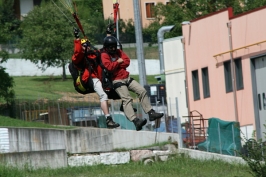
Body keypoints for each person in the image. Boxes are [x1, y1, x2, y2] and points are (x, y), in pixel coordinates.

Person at [100, 36, 164, 131]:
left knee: (142, 90)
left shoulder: (118, 52)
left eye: (114, 47)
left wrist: (116, 64)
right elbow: (109, 68)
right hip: (117, 80)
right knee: (127, 99)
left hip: (126, 77)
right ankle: (135, 121)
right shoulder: (104, 55)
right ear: (106, 47)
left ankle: (150, 112)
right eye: (111, 47)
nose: (113, 49)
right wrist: (118, 62)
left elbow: (127, 61)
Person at [71, 28, 120, 129]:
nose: (86, 48)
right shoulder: (79, 58)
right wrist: (77, 38)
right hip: (89, 79)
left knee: (118, 89)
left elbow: (105, 49)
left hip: (99, 78)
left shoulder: (94, 54)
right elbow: (77, 52)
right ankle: (108, 119)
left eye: (86, 46)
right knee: (103, 95)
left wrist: (108, 34)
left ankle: (125, 105)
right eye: (83, 46)